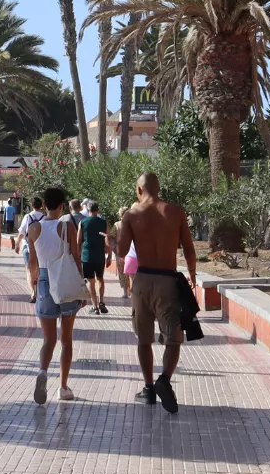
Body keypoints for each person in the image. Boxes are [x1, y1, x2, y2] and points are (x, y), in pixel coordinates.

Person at [116, 172, 198, 414]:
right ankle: (165, 379)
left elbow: (122, 251)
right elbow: (190, 250)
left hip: (142, 281)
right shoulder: (176, 212)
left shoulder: (131, 215)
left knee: (144, 339)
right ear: (158, 188)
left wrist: (112, 242)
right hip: (167, 281)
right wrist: (192, 274)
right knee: (173, 337)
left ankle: (149, 388)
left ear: (139, 190)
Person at [25, 187, 86, 403]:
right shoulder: (66, 226)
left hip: (43, 279)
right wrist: (82, 284)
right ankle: (63, 386)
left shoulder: (34, 228)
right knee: (66, 339)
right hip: (65, 281)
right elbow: (76, 257)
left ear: (43, 205)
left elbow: (32, 259)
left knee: (48, 339)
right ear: (62, 206)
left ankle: (42, 371)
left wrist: (33, 279)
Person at [78, 199, 111, 315]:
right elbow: (108, 240)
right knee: (100, 279)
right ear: (98, 210)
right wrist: (109, 256)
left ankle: (95, 306)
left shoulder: (82, 223)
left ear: (88, 209)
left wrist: (78, 256)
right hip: (99, 256)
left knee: (90, 282)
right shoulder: (104, 223)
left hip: (87, 256)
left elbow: (78, 241)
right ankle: (102, 302)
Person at [18, 196, 47, 303]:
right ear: (42, 206)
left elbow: (22, 232)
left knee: (29, 270)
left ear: (31, 205)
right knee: (39, 269)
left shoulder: (27, 216)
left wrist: (17, 244)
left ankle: (33, 293)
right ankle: (38, 292)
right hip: (40, 247)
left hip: (27, 247)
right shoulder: (45, 218)